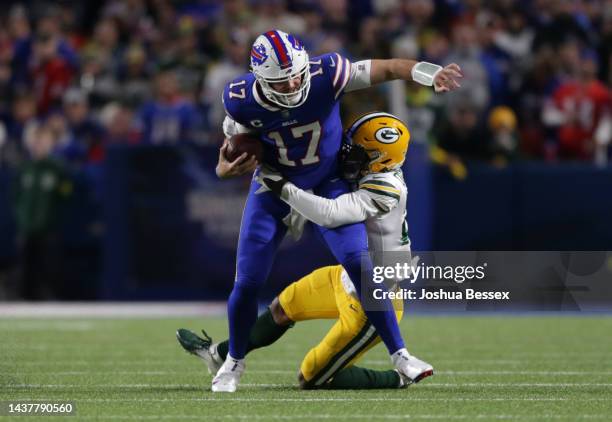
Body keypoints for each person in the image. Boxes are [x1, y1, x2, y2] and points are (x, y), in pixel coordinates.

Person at [214, 29, 461, 392]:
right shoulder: (239, 100)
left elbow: (391, 67)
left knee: (359, 265)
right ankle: (233, 362)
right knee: (248, 280)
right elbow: (231, 150)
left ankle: (401, 356)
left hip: (327, 180)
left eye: (297, 74)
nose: (294, 84)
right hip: (272, 186)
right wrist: (222, 170)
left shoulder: (326, 73)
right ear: (260, 79)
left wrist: (430, 72)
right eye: (283, 81)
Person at [179, 112, 430, 389]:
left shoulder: (386, 187)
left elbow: (331, 213)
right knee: (282, 308)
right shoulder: (368, 168)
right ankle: (220, 354)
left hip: (372, 301)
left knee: (311, 377)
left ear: (379, 159)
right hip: (346, 276)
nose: (348, 151)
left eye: (357, 150)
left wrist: (283, 187)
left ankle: (398, 378)